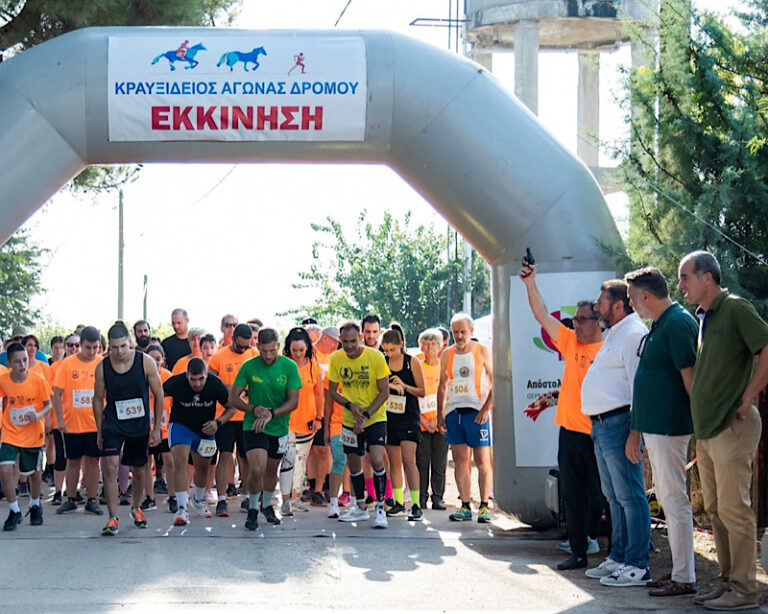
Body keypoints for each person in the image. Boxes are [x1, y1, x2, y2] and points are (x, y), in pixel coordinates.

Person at [678, 250, 768, 610]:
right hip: (709, 431)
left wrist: (748, 396)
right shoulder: (706, 316)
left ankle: (745, 591)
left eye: (685, 277)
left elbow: (766, 347)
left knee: (735, 510)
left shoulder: (735, 308)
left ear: (707, 278)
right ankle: (728, 582)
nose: (681, 285)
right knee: (716, 510)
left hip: (733, 427)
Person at [518, 263, 605, 570]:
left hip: (600, 433)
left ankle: (604, 544)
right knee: (572, 494)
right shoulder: (570, 342)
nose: (575, 324)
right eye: (575, 320)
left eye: (581, 319)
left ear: (598, 321)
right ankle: (578, 551)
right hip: (570, 432)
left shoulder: (609, 350)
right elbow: (542, 315)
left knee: (600, 495)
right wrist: (530, 284)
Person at [624, 266, 698, 596]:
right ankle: (681, 572)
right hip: (657, 427)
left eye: (631, 298)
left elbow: (691, 381)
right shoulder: (662, 323)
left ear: (645, 296)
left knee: (674, 500)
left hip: (670, 427)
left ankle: (685, 577)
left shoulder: (677, 323)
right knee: (668, 499)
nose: (631, 304)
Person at [581, 280, 651, 587]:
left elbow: (640, 388)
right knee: (614, 497)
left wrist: (635, 433)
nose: (597, 307)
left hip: (620, 424)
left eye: (601, 302)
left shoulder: (632, 333)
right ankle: (619, 556)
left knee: (630, 496)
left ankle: (637, 563)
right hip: (602, 426)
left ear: (619, 305)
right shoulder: (616, 333)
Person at [93, 322, 164, 536]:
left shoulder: (145, 362)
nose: (119, 351)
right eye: (114, 347)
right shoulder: (102, 367)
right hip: (113, 423)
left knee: (140, 469)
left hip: (138, 423)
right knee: (110, 466)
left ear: (130, 342)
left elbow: (159, 394)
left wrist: (157, 428)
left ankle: (136, 507)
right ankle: (112, 517)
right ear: (109, 347)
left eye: (123, 346)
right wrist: (99, 430)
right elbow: (97, 399)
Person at [229, 328, 301, 531]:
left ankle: (267, 506)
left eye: (272, 351)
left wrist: (272, 413)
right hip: (254, 426)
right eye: (264, 351)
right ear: (257, 346)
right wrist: (252, 409)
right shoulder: (249, 366)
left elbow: (294, 401)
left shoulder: (289, 366)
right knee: (257, 468)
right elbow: (233, 397)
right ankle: (253, 508)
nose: (268, 356)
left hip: (278, 427)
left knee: (271, 470)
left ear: (278, 346)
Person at [328, 322, 391, 528]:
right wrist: (350, 406)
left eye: (353, 341)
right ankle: (360, 507)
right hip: (350, 419)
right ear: (340, 340)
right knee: (353, 463)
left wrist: (366, 415)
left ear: (361, 338)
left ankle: (380, 507)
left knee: (377, 459)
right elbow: (333, 391)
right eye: (345, 342)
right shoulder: (336, 358)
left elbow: (385, 392)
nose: (349, 346)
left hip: (375, 417)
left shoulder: (376, 357)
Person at [437, 313, 494, 523]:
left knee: (482, 460)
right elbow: (442, 385)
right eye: (455, 332)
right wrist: (440, 414)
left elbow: (495, 381)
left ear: (471, 331)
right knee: (460, 460)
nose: (459, 336)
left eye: (463, 332)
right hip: (454, 412)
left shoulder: (481, 350)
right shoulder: (447, 354)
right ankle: (465, 505)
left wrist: (486, 408)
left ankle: (485, 505)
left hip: (477, 412)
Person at [164, 357, 234, 526]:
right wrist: (158, 416)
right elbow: (157, 393)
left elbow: (231, 408)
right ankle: (182, 508)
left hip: (205, 428)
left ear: (206, 375)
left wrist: (217, 423)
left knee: (203, 467)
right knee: (180, 462)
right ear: (186, 375)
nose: (197, 383)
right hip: (180, 425)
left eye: (201, 379)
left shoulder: (215, 384)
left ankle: (198, 498)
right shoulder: (176, 382)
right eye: (193, 379)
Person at [0, 343, 53, 530]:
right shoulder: (3, 380)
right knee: (5, 469)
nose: (22, 365)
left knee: (34, 473)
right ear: (9, 363)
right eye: (17, 361)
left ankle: (35, 504)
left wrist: (38, 416)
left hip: (33, 434)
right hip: (10, 432)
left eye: (25, 360)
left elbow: (49, 404)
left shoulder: (38, 381)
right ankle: (14, 510)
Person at [208, 323, 257, 517]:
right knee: (225, 455)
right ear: (233, 338)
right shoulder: (219, 357)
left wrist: (240, 390)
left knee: (246, 458)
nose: (243, 349)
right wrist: (229, 390)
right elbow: (210, 383)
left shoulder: (254, 355)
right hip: (225, 415)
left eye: (247, 346)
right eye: (240, 345)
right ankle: (221, 499)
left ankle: (246, 496)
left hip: (247, 415)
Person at [54, 327, 103, 516]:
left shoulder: (101, 363)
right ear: (81, 344)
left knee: (93, 462)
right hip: (72, 424)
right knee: (72, 462)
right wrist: (60, 420)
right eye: (88, 347)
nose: (91, 351)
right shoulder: (67, 364)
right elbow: (57, 393)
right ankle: (71, 499)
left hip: (94, 424)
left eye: (95, 347)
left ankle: (92, 500)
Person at [382, 326, 426, 521]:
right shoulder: (383, 362)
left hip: (408, 417)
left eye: (393, 349)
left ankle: (416, 504)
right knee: (394, 462)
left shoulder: (411, 362)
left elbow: (422, 391)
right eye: (386, 350)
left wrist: (404, 386)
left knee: (409, 460)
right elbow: (377, 386)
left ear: (401, 344)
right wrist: (390, 385)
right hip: (389, 417)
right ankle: (398, 502)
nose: (389, 353)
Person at [279, 327, 324, 516]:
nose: (297, 354)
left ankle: (295, 498)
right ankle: (285, 499)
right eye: (294, 350)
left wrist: (319, 417)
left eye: (301, 350)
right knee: (288, 458)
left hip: (307, 421)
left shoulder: (314, 366)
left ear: (307, 348)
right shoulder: (282, 365)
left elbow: (319, 394)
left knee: (301, 461)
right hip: (286, 421)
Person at [415, 328, 449, 510]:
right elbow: (413, 396)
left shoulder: (444, 367)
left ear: (440, 346)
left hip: (441, 423)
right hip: (421, 423)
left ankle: (438, 497)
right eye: (426, 344)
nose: (429, 347)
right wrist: (424, 421)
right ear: (421, 346)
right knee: (421, 462)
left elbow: (448, 394)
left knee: (440, 462)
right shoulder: (417, 366)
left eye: (434, 343)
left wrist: (439, 418)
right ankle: (421, 497)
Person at [141, 344, 175, 513]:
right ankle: (150, 498)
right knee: (146, 462)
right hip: (145, 426)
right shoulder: (140, 377)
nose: (155, 362)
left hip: (165, 426)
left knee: (170, 461)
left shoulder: (168, 376)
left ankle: (173, 496)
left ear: (163, 360)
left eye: (158, 359)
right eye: (151, 359)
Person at [49, 333, 80, 505]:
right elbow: (50, 394)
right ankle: (58, 491)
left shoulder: (87, 365)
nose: (73, 348)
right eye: (70, 345)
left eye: (76, 345)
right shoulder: (56, 367)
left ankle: (73, 491)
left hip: (81, 422)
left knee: (77, 459)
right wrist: (51, 419)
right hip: (60, 421)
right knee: (61, 455)